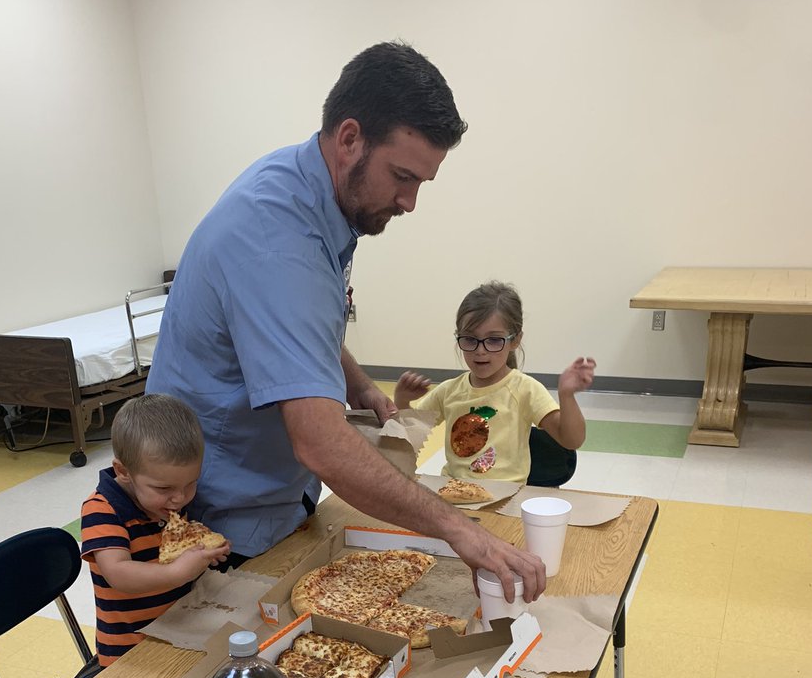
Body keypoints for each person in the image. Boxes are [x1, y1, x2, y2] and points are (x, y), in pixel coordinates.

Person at [148, 41, 545, 602]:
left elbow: (301, 324)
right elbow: (321, 444)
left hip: (279, 497)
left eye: (421, 184)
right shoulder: (276, 237)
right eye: (402, 176)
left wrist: (357, 382)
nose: (409, 202)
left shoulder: (316, 191)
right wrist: (459, 530)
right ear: (350, 137)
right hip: (220, 523)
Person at [81, 395, 231, 667]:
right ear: (123, 471)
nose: (180, 498)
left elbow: (177, 547)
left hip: (180, 630)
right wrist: (177, 572)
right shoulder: (102, 510)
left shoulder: (170, 499)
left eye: (191, 483)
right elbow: (118, 573)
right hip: (130, 651)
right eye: (164, 489)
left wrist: (202, 553)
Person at [395, 281, 595, 482]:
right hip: (454, 492)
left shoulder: (525, 389)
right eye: (470, 339)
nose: (480, 350)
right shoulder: (448, 391)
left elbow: (571, 440)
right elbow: (407, 437)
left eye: (493, 340)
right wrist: (402, 402)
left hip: (508, 497)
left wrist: (566, 396)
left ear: (515, 340)